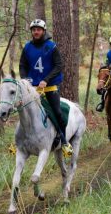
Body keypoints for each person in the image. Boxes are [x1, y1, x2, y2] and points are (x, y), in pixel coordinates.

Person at [19, 19, 73, 158]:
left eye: (38, 29)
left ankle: (64, 140)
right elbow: (22, 65)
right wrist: (25, 80)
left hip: (50, 86)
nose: (36, 32)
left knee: (56, 112)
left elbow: (59, 65)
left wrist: (46, 80)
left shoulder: (51, 46)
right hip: (33, 88)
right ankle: (20, 141)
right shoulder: (27, 47)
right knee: (24, 111)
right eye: (33, 30)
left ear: (43, 31)